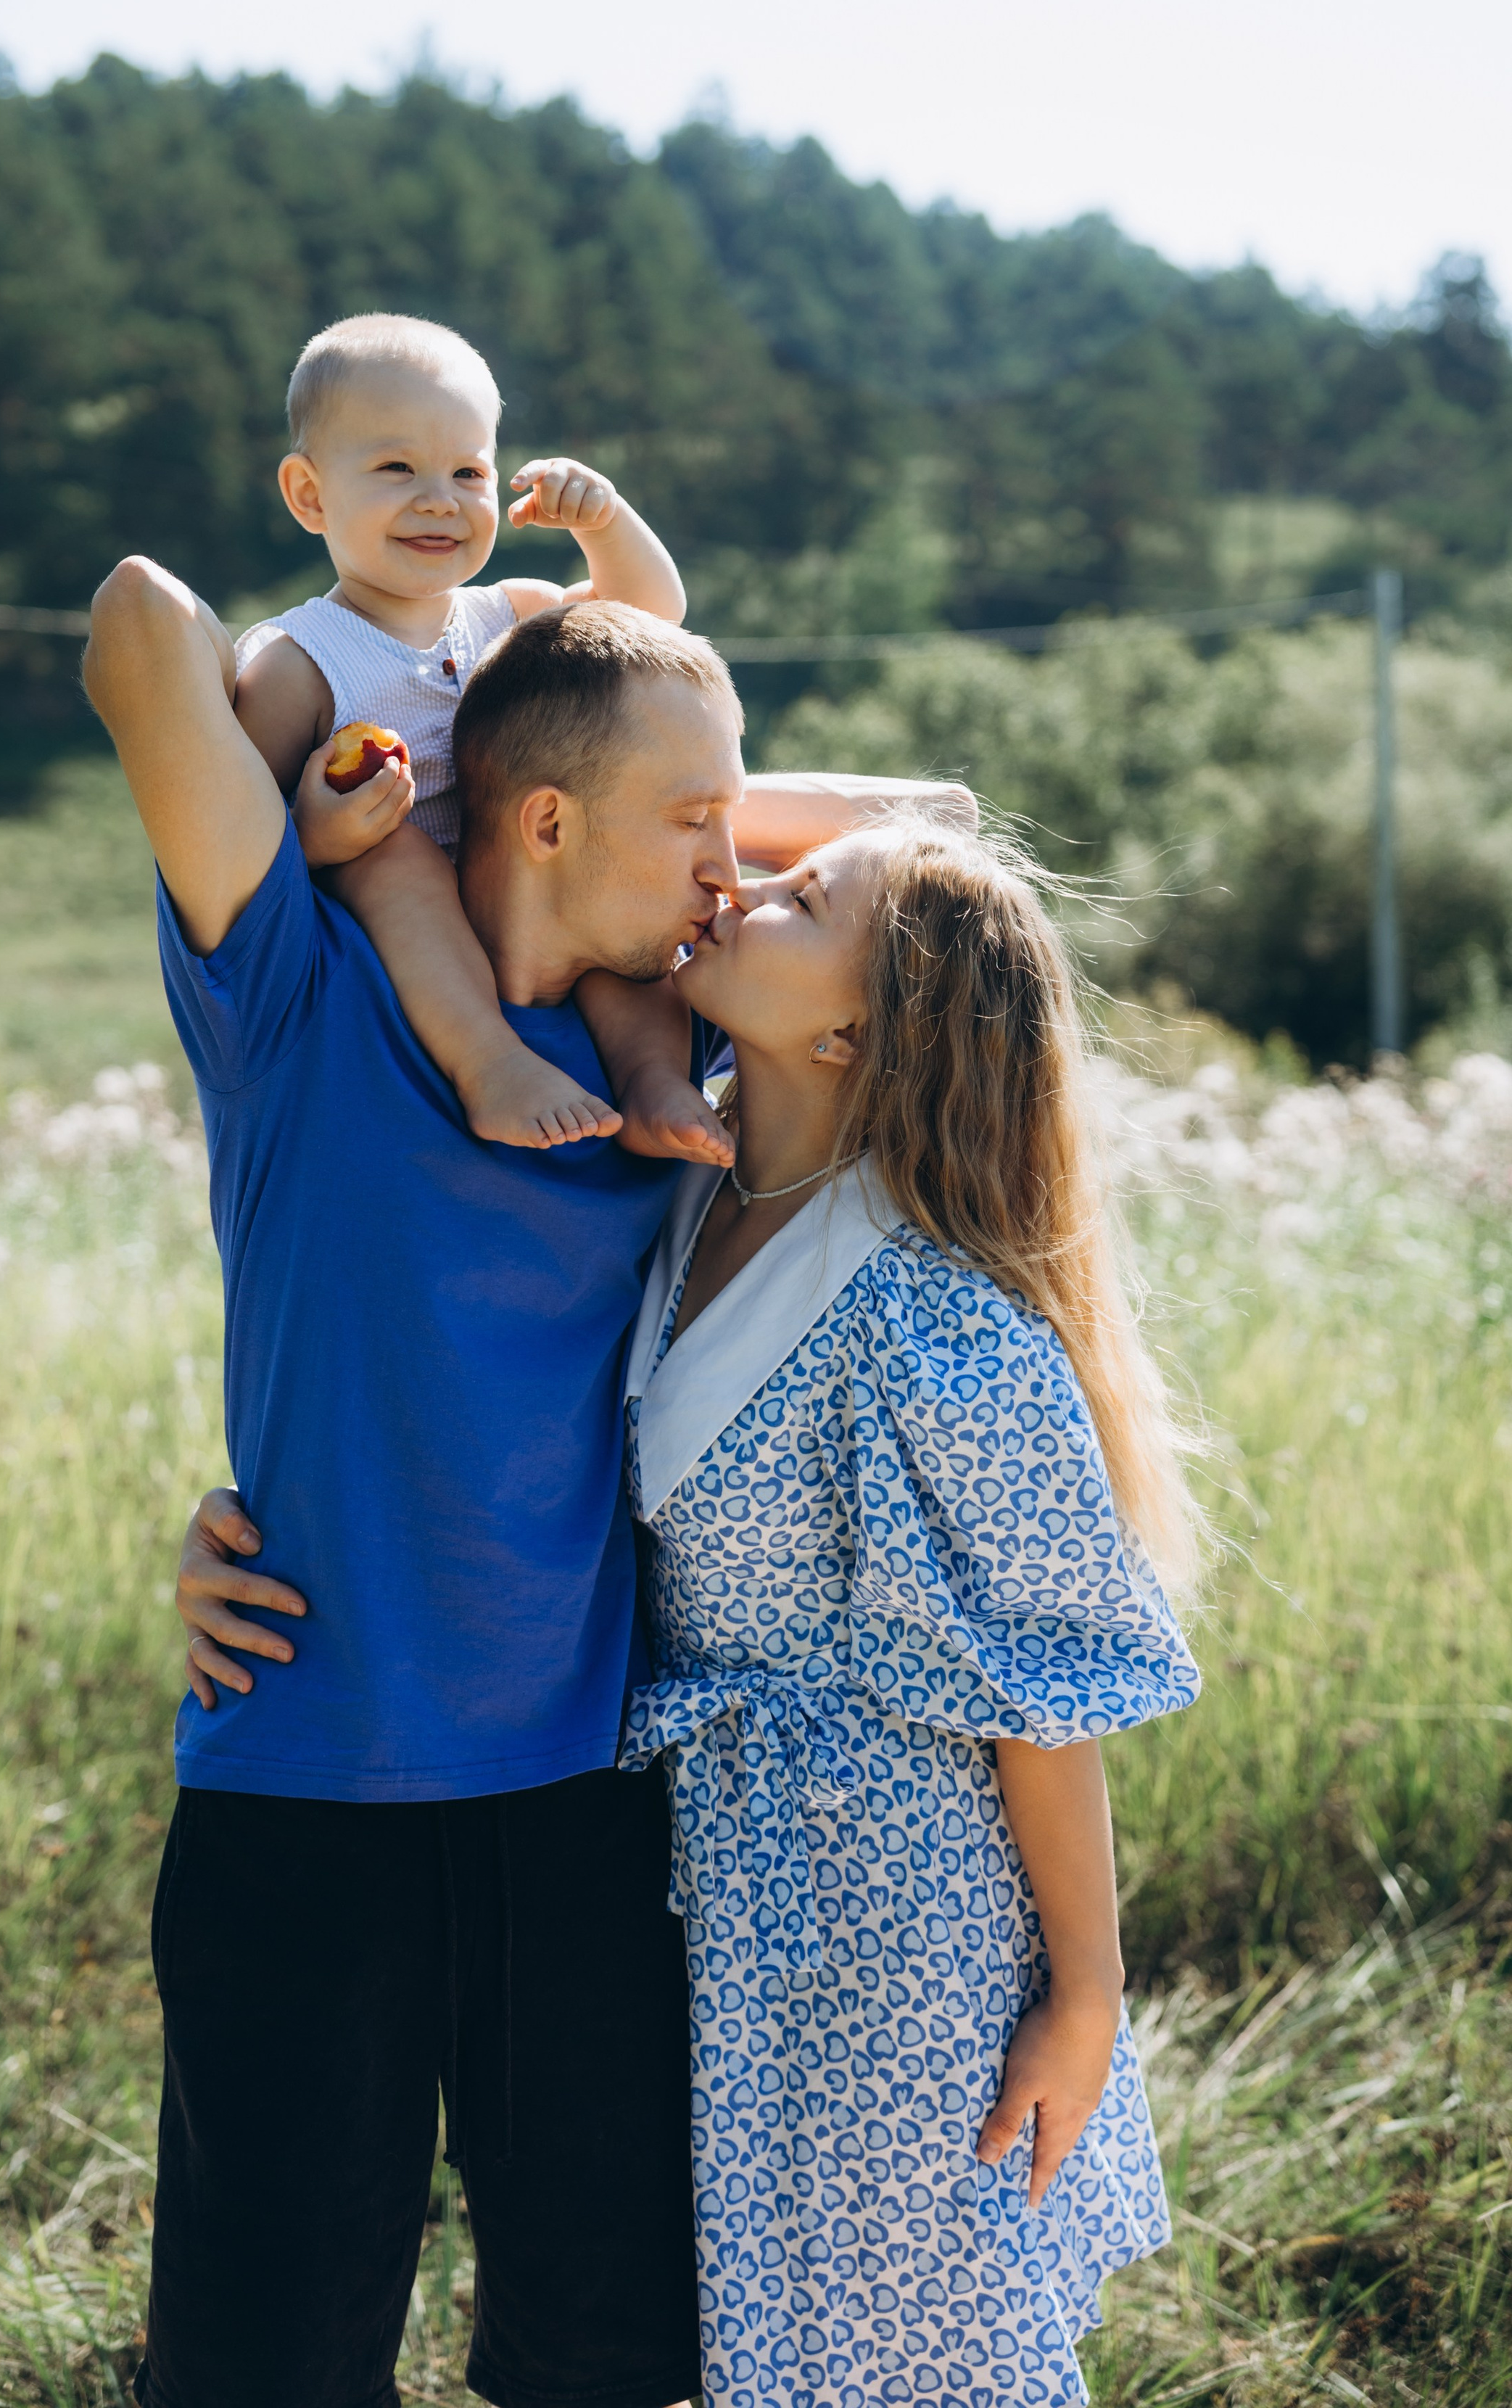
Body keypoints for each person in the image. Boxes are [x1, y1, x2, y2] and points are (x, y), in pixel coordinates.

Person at [82, 558, 966, 2408]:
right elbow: (138, 623)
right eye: (699, 822)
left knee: (601, 2360)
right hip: (307, 1778)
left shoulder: (677, 1050)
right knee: (262, 2365)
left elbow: (931, 827)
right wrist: (408, 649)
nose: (735, 865)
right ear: (545, 815)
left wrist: (573, 737)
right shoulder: (297, 980)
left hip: (593, 1797)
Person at [614, 821, 1204, 2407]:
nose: (735, 883)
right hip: (722, 1887)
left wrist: (1084, 1997)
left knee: (909, 2357)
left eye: (797, 900)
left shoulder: (929, 1307)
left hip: (891, 1920)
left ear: (850, 1028)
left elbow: (1038, 1688)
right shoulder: (685, 1190)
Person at [232, 308, 706, 1154]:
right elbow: (238, 851)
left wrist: (603, 522)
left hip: (531, 898)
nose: (438, 500)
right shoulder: (297, 664)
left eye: (468, 473)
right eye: (395, 468)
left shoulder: (511, 613)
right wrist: (318, 832)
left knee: (617, 911)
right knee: (394, 856)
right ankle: (491, 1064)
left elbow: (649, 616)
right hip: (406, 933)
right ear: (310, 494)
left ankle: (655, 1083)